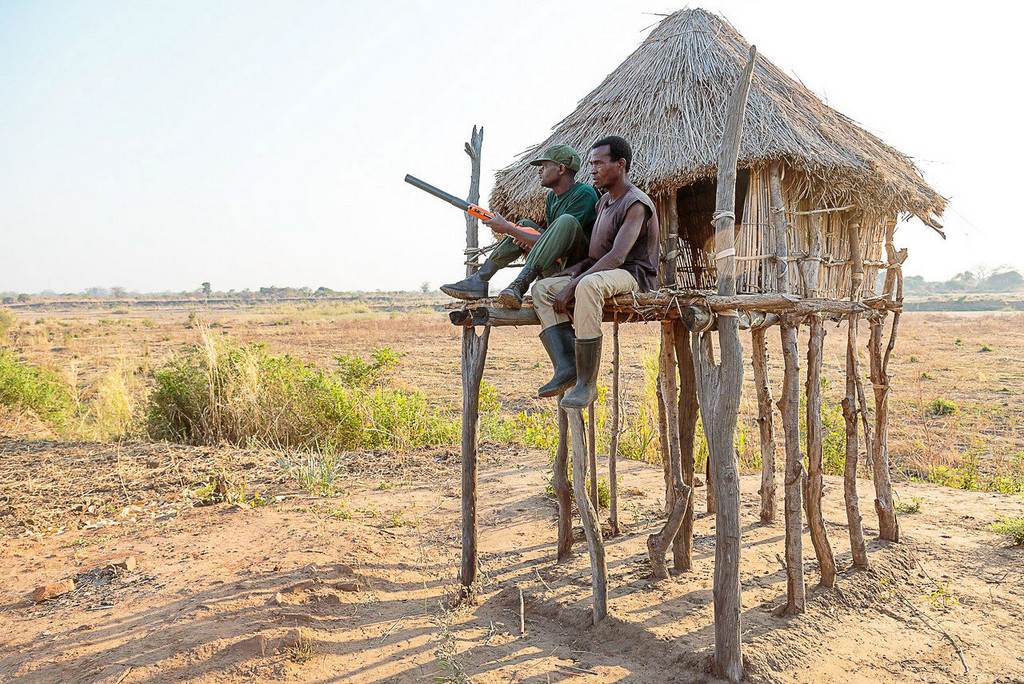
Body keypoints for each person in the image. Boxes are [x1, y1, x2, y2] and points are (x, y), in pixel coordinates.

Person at [531, 135, 660, 407]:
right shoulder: (603, 203)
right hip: (604, 273)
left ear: (620, 164)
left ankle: (586, 384)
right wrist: (564, 276)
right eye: (591, 164)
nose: (592, 170)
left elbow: (617, 256)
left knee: (587, 286)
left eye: (599, 164)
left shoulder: (636, 203)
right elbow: (594, 258)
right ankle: (566, 365)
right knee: (542, 289)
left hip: (633, 275)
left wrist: (573, 284)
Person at [440, 145, 599, 309]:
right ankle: (480, 279)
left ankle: (519, 284)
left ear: (560, 168)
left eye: (544, 167)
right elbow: (551, 240)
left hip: (576, 270)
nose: (539, 172)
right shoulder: (552, 198)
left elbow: (564, 239)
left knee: (566, 221)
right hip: (556, 266)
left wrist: (508, 229)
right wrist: (523, 236)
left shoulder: (584, 194)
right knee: (525, 225)